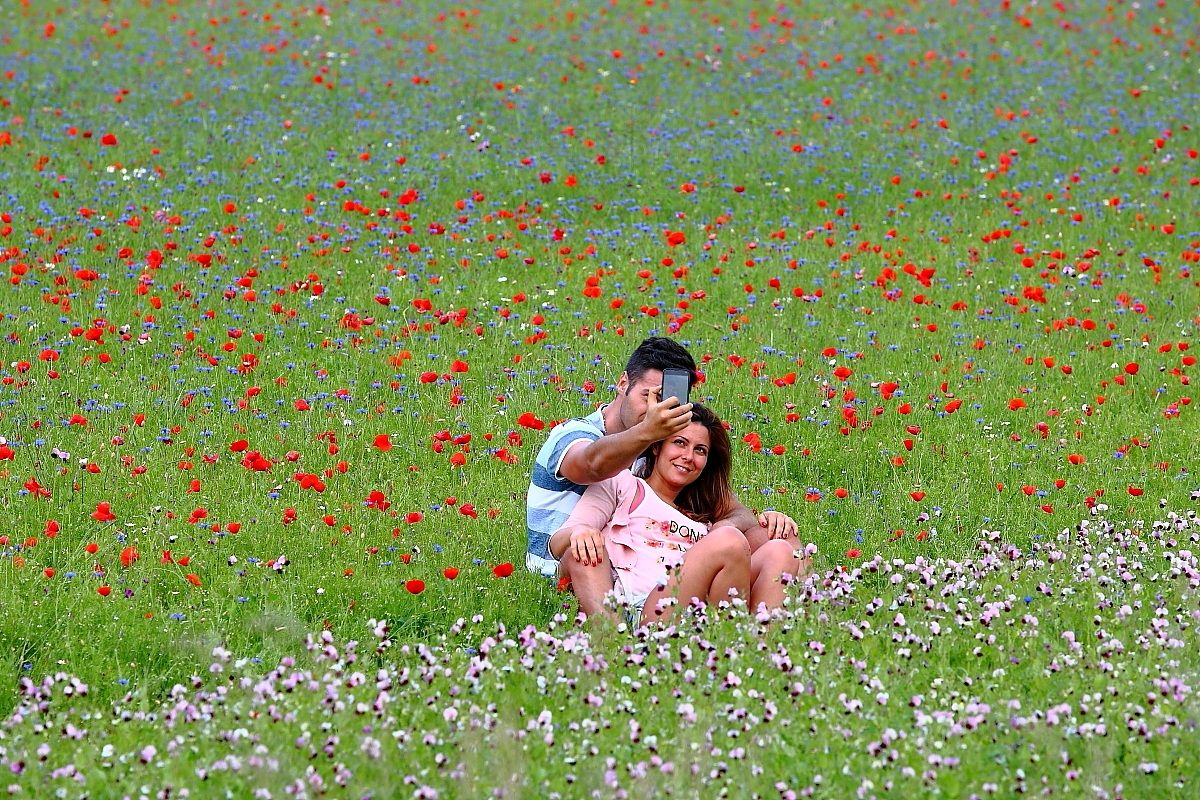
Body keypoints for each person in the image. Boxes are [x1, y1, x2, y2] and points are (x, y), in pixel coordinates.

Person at [525, 336, 801, 617]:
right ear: (623, 384)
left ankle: (769, 642)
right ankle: (616, 639)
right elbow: (592, 465)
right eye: (648, 396)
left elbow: (736, 512)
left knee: (779, 541)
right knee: (585, 551)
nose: (656, 411)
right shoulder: (578, 435)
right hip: (576, 568)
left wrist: (714, 534)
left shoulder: (662, 448)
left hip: (667, 579)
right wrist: (649, 431)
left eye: (665, 401)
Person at [548, 405, 805, 625]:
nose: (688, 457)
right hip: (642, 610)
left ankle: (754, 655)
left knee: (781, 550)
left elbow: (743, 524)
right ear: (657, 447)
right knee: (729, 539)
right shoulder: (623, 484)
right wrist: (579, 533)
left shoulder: (704, 518)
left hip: (696, 609)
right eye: (680, 443)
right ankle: (726, 643)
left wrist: (775, 521)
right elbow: (559, 541)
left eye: (700, 450)